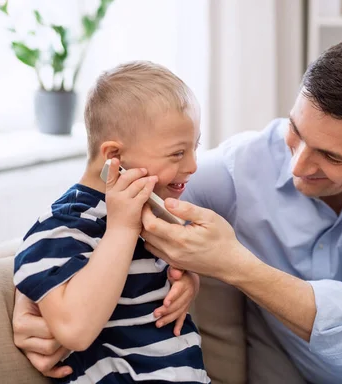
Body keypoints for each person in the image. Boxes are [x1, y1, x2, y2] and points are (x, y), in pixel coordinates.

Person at [13, 36, 342, 383]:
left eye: (332, 157)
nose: (299, 164)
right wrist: (32, 294)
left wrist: (233, 264)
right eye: (296, 132)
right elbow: (104, 198)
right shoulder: (237, 170)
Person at [13, 61, 209, 383]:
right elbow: (75, 331)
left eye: (195, 147)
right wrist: (122, 228)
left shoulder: (156, 213)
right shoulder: (61, 229)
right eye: (177, 154)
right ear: (113, 156)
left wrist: (189, 278)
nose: (193, 165)